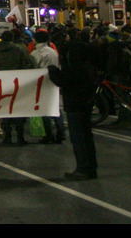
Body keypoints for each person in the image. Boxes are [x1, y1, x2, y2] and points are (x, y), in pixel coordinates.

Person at [48, 30, 99, 180]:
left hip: (75, 106)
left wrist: (53, 72)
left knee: (78, 138)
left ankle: (82, 168)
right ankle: (91, 167)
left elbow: (62, 81)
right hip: (86, 106)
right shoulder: (89, 67)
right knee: (87, 137)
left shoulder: (75, 68)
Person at [0, 30, 35, 145]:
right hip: (16, 80)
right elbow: (26, 63)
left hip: (2, 81)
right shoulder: (18, 49)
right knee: (18, 109)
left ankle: (7, 136)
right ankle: (20, 136)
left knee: (5, 109)